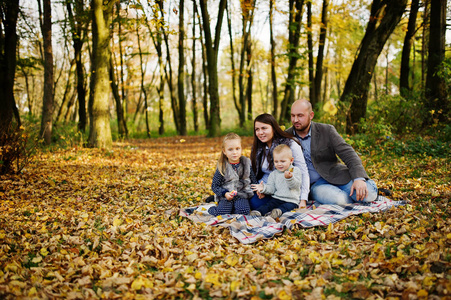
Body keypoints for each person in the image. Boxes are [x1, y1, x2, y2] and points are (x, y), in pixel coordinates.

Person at [287, 99, 378, 205]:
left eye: (300, 116)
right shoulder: (286, 137)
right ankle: (352, 199)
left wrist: (358, 179)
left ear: (311, 115)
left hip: (337, 175)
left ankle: (364, 188)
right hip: (316, 186)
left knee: (369, 194)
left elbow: (348, 153)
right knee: (340, 200)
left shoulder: (326, 130)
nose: (295, 120)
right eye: (293, 116)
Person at [250, 113, 309, 210]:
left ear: (273, 128)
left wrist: (303, 199)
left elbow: (303, 171)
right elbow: (254, 172)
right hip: (265, 186)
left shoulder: (290, 144)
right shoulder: (258, 147)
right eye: (257, 129)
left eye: (264, 128)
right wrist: (260, 189)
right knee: (243, 197)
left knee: (255, 204)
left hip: (284, 189)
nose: (260, 132)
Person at [250, 144, 303, 219]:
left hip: (291, 200)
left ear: (291, 160)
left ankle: (278, 212)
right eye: (276, 161)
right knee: (269, 205)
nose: (279, 164)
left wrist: (289, 178)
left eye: (283, 161)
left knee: (287, 207)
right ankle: (258, 212)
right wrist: (263, 188)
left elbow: (295, 186)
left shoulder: (295, 171)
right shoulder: (273, 174)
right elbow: (271, 189)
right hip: (277, 198)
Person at [207, 132, 254, 216]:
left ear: (241, 149)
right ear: (224, 151)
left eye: (237, 148)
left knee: (243, 211)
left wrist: (258, 189)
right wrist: (225, 193)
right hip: (226, 195)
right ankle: (213, 209)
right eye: (230, 149)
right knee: (222, 213)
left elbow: (253, 180)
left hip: (241, 194)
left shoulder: (246, 163)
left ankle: (234, 209)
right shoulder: (222, 166)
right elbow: (215, 185)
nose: (234, 152)